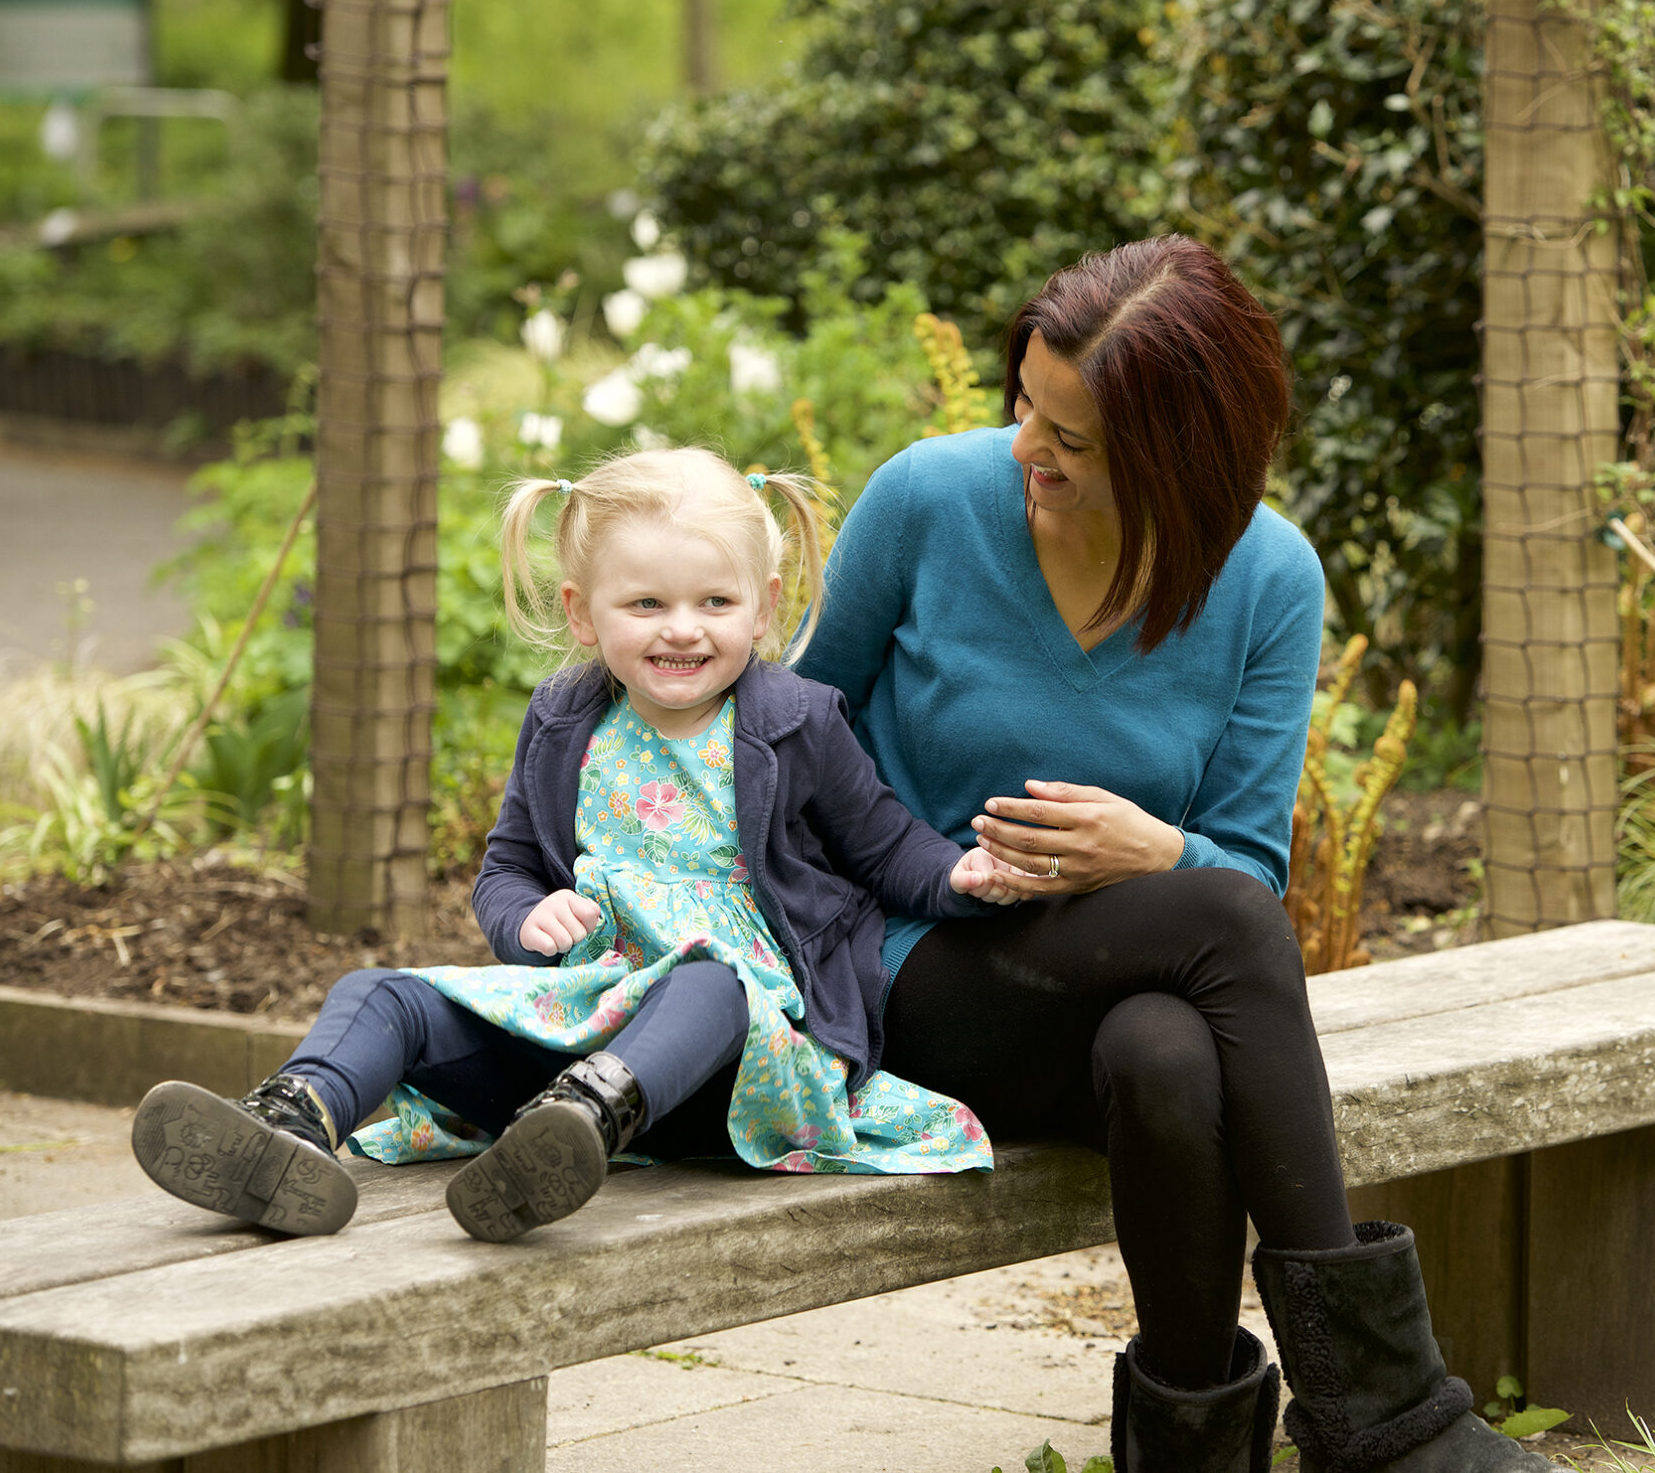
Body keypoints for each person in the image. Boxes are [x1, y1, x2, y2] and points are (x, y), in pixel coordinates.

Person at [797, 235, 1551, 1473]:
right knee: (1227, 932)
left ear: (1175, 452)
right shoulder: (929, 500)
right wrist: (927, 866)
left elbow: (1240, 861)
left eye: (1073, 438)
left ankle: (1194, 1450)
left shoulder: (1267, 577)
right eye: (1025, 405)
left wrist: (1152, 850)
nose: (1028, 449)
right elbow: (789, 747)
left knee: (1164, 1054)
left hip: (1105, 998)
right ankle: (1386, 1418)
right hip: (901, 961)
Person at [129, 448, 1026, 1244]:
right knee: (383, 994)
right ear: (584, 614)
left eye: (715, 601)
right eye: (647, 603)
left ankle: (583, 1122)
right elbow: (507, 867)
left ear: (764, 611)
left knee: (707, 977)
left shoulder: (795, 721)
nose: (683, 627)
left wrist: (958, 873)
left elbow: (883, 847)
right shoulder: (565, 719)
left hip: (731, 1069)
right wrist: (527, 920)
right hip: (579, 1022)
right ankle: (289, 1127)